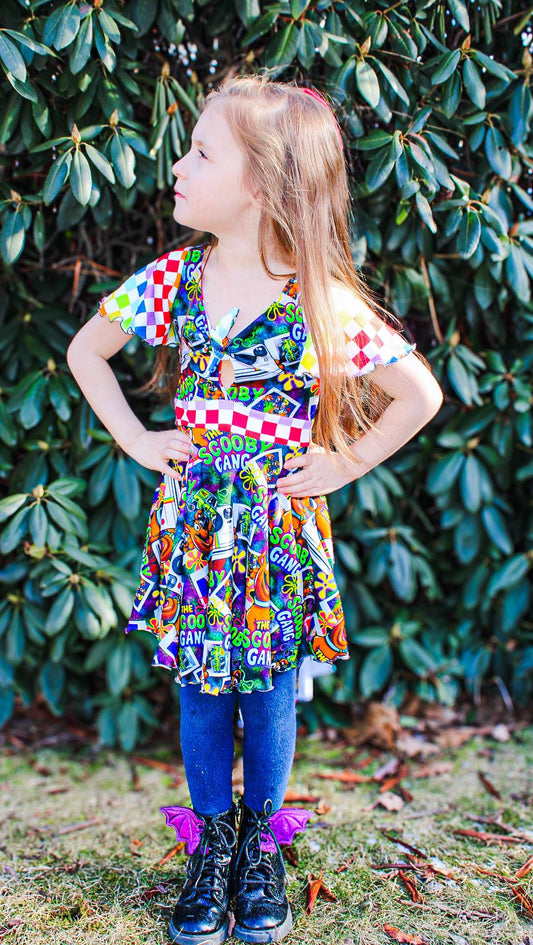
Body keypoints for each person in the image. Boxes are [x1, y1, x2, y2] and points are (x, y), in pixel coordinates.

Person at [67, 74, 443, 945]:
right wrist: (136, 438)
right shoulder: (176, 279)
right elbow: (89, 350)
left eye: (201, 153)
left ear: (264, 185)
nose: (177, 166)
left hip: (276, 531)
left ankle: (261, 846)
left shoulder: (318, 299)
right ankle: (210, 845)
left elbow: (417, 394)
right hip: (197, 531)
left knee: (269, 688)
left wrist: (344, 463)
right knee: (201, 687)